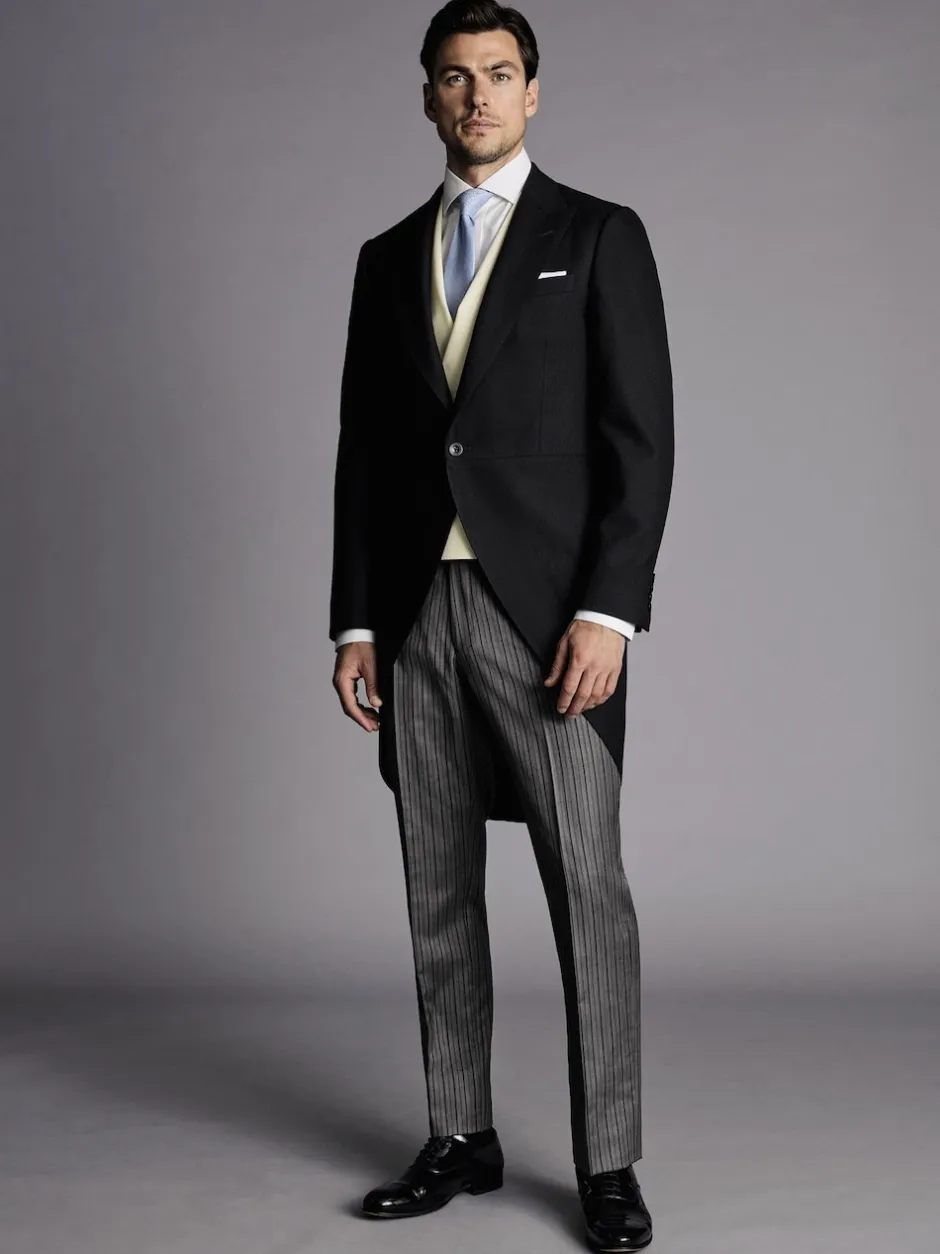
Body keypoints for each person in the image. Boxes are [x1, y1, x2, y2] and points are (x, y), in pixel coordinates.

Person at [329, 2, 674, 1249]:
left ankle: (608, 1161)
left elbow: (640, 439)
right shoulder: (384, 258)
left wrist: (607, 612)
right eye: (453, 76)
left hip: (546, 617)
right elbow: (366, 454)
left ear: (533, 93)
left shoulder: (597, 235)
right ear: (427, 97)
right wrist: (353, 624)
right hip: (414, 612)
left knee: (587, 889)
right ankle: (459, 1132)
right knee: (436, 886)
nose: (475, 95)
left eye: (498, 73)